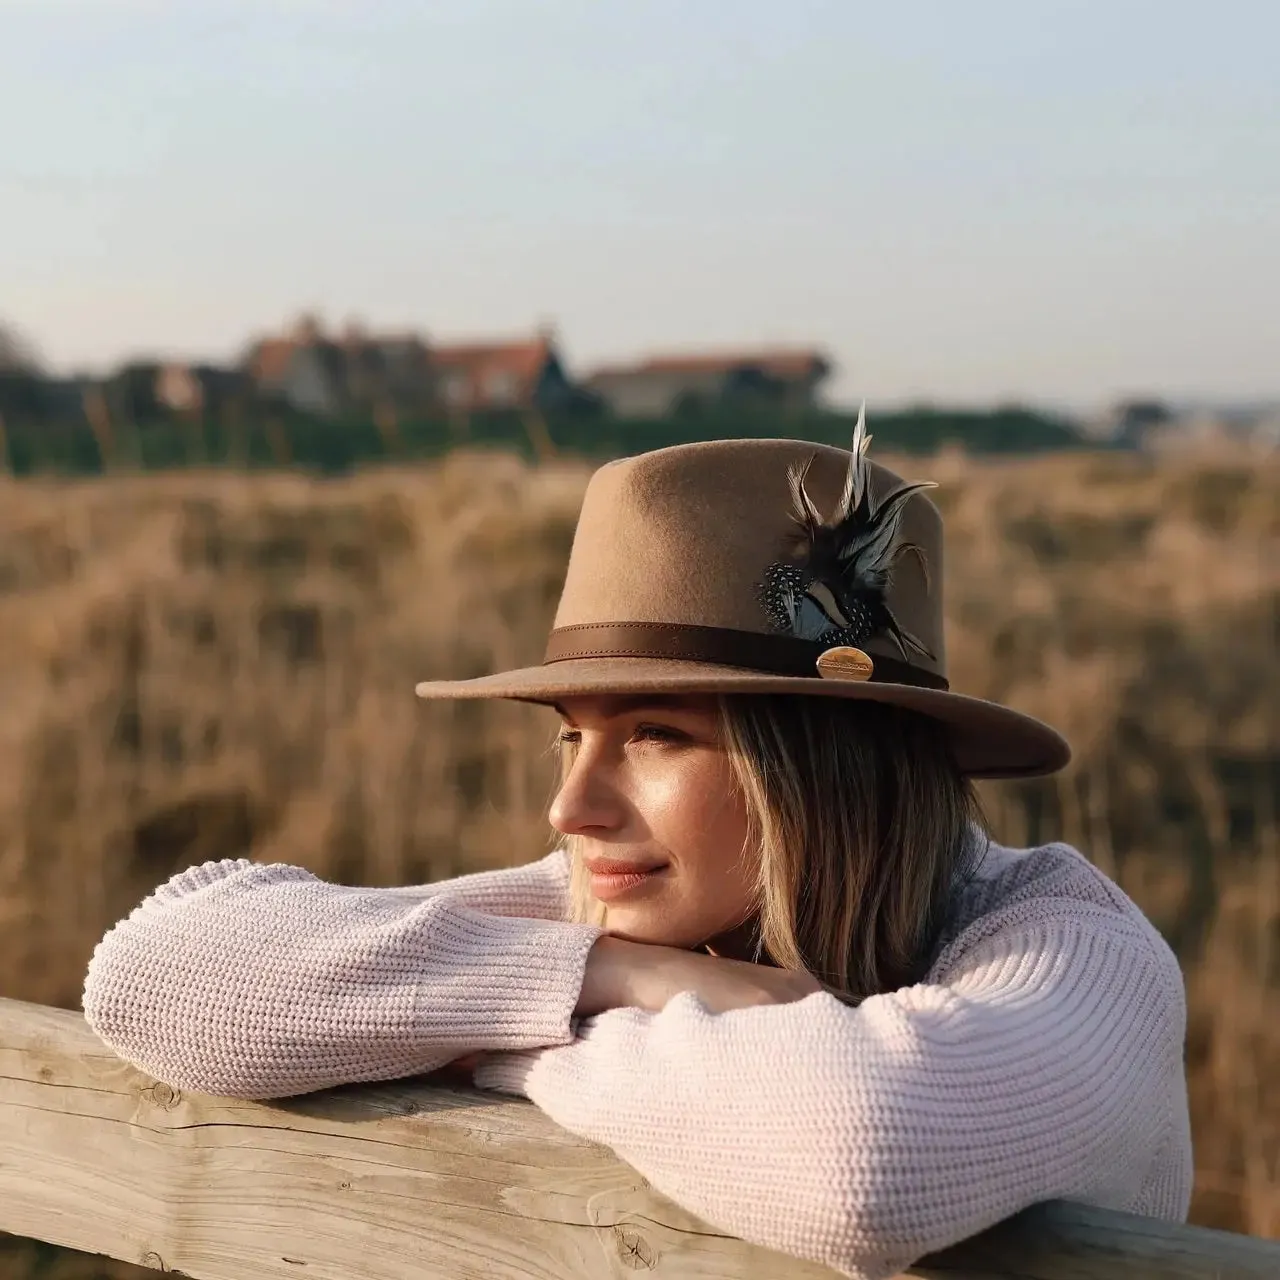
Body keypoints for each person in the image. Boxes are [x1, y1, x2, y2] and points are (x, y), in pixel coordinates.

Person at [83, 421, 1192, 1280]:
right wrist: (619, 975)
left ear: (824, 764)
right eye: (571, 736)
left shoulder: (1065, 942)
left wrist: (492, 1037)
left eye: (653, 734)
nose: (571, 808)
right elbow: (157, 971)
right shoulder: (610, 917)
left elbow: (861, 1152)